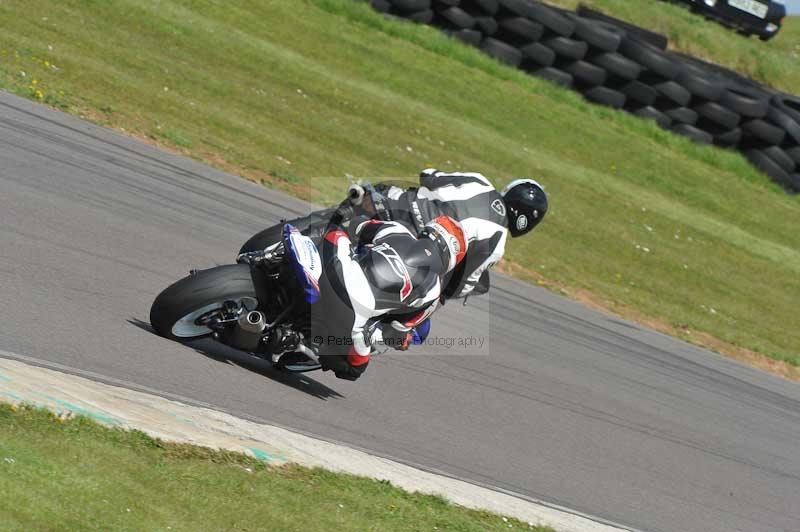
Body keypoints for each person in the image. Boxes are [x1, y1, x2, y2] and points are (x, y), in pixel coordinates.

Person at [312, 214, 468, 381]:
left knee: (334, 231)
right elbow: (395, 332)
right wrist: (403, 340)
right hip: (352, 311)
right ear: (452, 258)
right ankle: (317, 347)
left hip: (334, 268)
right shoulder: (433, 290)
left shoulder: (397, 229)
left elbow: (356, 225)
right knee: (355, 368)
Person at [377, 169, 548, 300]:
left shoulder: (479, 180)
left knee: (366, 197)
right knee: (420, 305)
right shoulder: (497, 242)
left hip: (392, 205)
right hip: (418, 247)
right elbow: (462, 286)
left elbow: (428, 175)